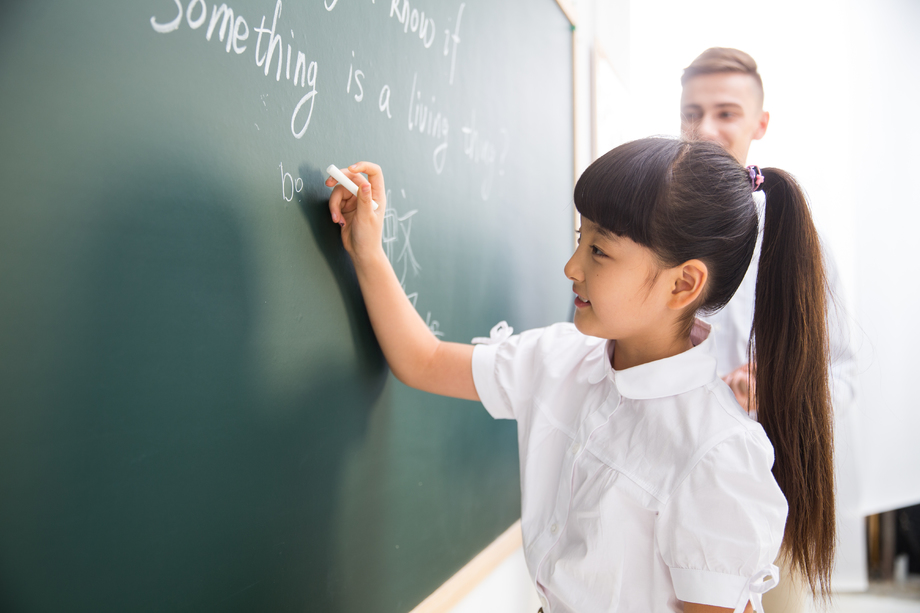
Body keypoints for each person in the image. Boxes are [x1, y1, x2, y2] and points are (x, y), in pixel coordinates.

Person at [324, 137, 836, 612]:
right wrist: (367, 250)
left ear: (683, 284)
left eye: (599, 249)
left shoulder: (714, 452)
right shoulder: (556, 359)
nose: (572, 266)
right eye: (579, 237)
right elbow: (425, 361)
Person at [679, 48, 865, 607]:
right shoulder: (652, 227)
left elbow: (842, 370)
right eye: (691, 112)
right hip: (672, 485)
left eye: (726, 112)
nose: (705, 129)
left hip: (774, 492)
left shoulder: (795, 238)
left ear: (761, 124)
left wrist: (780, 389)